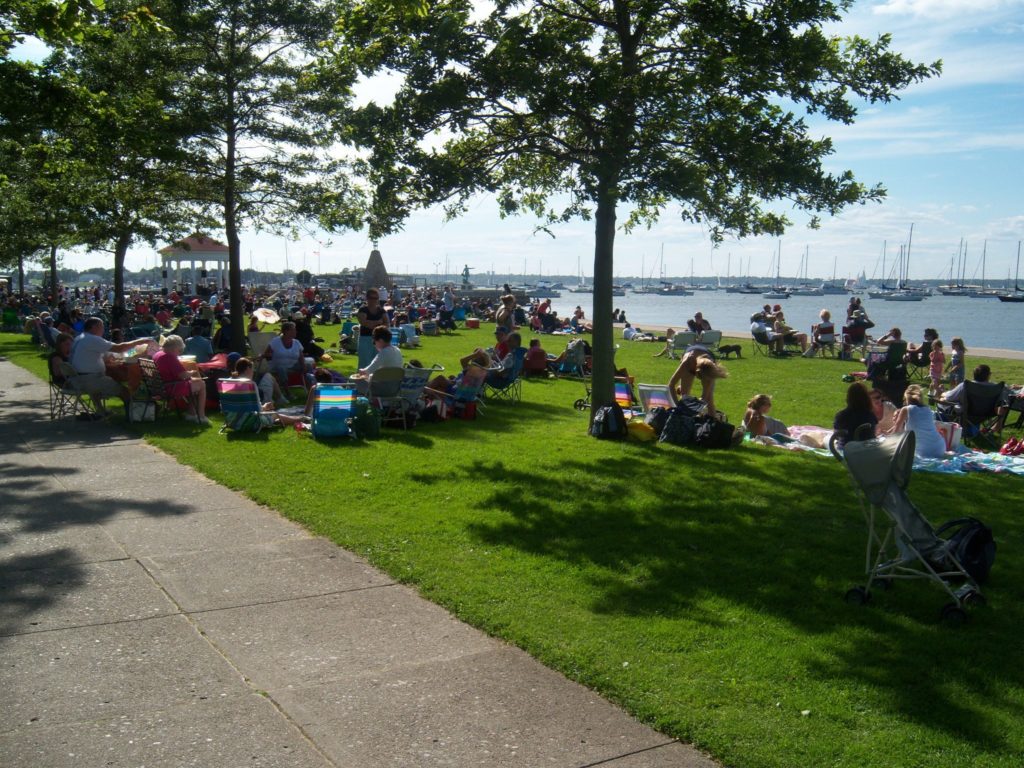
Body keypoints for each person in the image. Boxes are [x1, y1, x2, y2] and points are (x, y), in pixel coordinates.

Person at [69, 317, 147, 415]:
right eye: (102, 327)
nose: (103, 330)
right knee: (124, 391)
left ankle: (100, 410)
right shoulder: (92, 339)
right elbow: (119, 349)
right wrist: (140, 342)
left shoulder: (80, 337)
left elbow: (111, 354)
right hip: (89, 380)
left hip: (77, 379)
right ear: (94, 327)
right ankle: (135, 415)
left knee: (109, 378)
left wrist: (134, 351)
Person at [152, 335, 210, 425]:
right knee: (202, 384)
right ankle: (201, 416)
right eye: (179, 350)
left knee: (195, 383)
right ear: (174, 348)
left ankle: (192, 413)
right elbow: (183, 375)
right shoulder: (169, 357)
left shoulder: (158, 354)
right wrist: (191, 372)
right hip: (170, 388)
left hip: (160, 386)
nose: (179, 353)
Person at [233, 357, 305, 427]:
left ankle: (283, 420)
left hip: (233, 421)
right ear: (248, 369)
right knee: (274, 414)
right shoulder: (250, 386)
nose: (253, 372)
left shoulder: (230, 383)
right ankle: (301, 419)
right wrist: (265, 406)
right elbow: (257, 409)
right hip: (249, 422)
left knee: (270, 414)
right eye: (252, 369)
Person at [668, 347, 727, 417]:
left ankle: (713, 422)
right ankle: (683, 418)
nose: (703, 381)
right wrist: (677, 404)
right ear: (697, 372)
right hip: (690, 361)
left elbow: (704, 398)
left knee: (709, 398)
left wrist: (700, 404)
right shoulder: (687, 362)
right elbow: (671, 385)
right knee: (684, 395)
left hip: (705, 365)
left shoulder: (710, 367)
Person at [892, 385, 947, 458]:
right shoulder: (928, 409)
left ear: (906, 398)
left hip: (923, 451)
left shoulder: (906, 409)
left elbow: (896, 430)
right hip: (940, 447)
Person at [263, 321, 310, 395]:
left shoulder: (296, 342)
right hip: (278, 366)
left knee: (308, 365)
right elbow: (266, 353)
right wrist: (268, 355)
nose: (296, 331)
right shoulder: (275, 341)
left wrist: (303, 365)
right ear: (286, 331)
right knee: (281, 368)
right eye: (293, 330)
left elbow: (301, 357)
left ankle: (310, 389)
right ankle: (287, 391)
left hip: (293, 365)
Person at [832, 382, 877, 449]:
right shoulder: (870, 415)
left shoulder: (842, 415)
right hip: (867, 450)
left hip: (846, 450)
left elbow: (836, 435)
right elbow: (872, 433)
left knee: (825, 439)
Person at [356, 288, 388, 368]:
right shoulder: (362, 310)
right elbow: (364, 323)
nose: (374, 300)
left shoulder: (382, 310)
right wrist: (378, 322)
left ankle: (375, 380)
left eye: (376, 298)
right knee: (364, 364)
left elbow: (387, 324)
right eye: (371, 298)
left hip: (379, 340)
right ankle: (362, 380)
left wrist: (371, 323)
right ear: (367, 298)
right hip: (365, 339)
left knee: (377, 365)